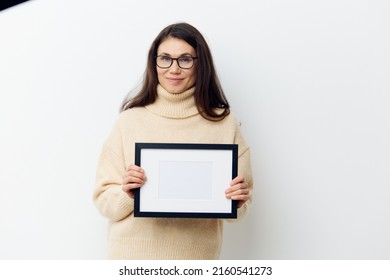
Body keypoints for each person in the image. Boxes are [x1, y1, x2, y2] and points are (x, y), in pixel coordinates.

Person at [93, 22, 253, 260]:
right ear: (154, 62)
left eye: (185, 59)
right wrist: (128, 193)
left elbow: (243, 202)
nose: (174, 69)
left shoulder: (224, 123)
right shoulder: (129, 121)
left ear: (201, 64)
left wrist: (238, 201)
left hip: (196, 258)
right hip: (131, 258)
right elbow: (103, 200)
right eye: (165, 58)